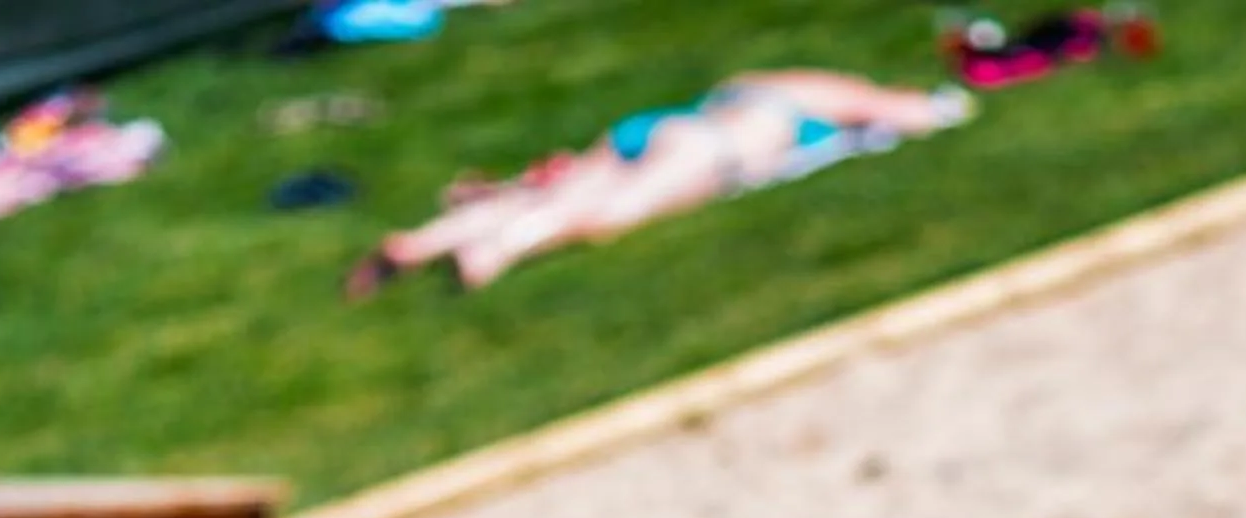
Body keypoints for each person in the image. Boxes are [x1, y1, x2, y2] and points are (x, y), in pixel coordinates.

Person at [346, 70, 973, 295]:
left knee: (565, 188)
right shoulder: (835, 96)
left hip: (670, 125)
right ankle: (497, 247)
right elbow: (913, 111)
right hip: (714, 146)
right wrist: (940, 105)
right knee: (614, 209)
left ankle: (427, 240)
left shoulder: (771, 81)